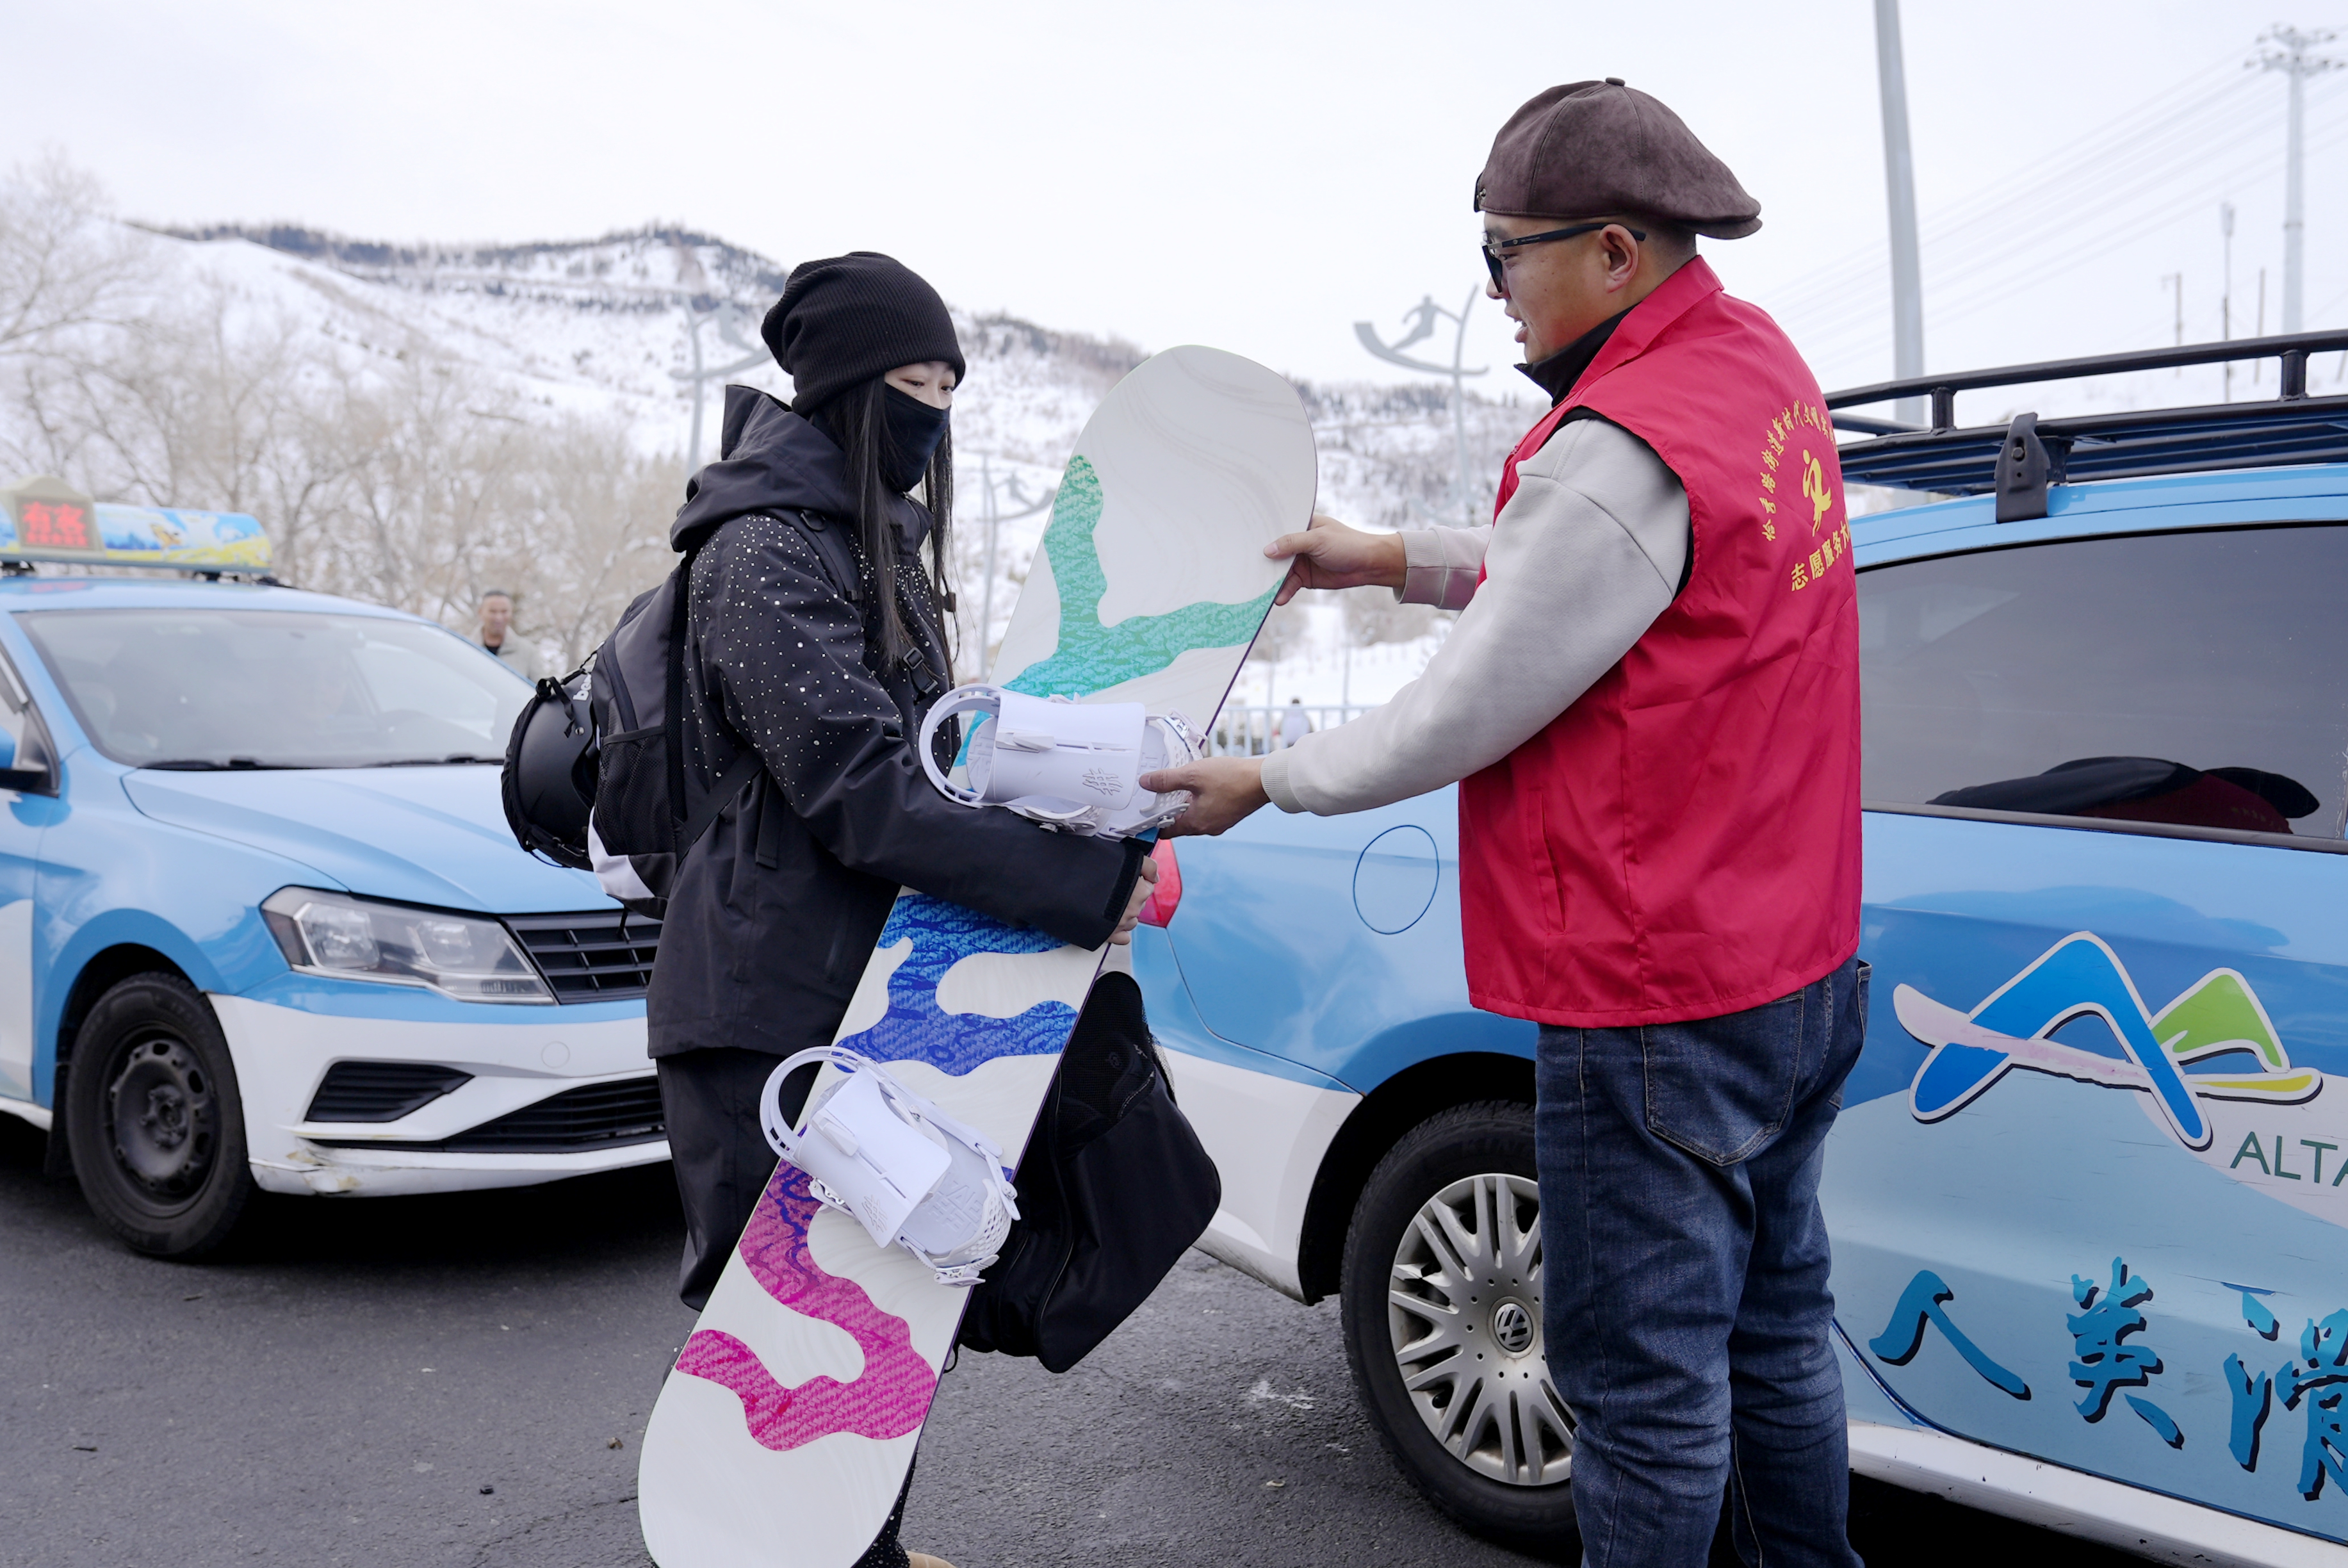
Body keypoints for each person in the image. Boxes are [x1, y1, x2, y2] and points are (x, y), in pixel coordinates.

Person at [1142, 81, 1864, 1568]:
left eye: (1503, 255)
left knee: (1641, 1389)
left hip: (1657, 990)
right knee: (1777, 1327)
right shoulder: (1753, 371)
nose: (1491, 292)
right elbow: (1602, 565)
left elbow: (1460, 708)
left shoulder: (1621, 441)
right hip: (1795, 960)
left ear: (1612, 251)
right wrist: (1394, 558)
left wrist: (1262, 781)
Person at [649, 252, 1155, 1568]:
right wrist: (1084, 887)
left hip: (855, 988)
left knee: (881, 1302)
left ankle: (861, 1547)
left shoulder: (872, 545)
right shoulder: (761, 553)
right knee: (778, 1329)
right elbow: (862, 788)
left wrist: (1091, 810)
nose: (933, 412)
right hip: (757, 1004)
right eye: (912, 386)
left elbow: (937, 765)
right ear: (843, 391)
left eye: (949, 387)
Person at [473, 589, 545, 676]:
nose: (499, 618)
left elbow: (541, 683)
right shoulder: (467, 648)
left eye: (504, 612)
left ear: (511, 612)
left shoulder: (528, 652)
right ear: (480, 612)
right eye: (493, 611)